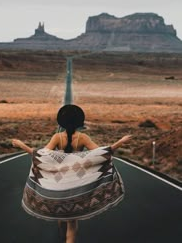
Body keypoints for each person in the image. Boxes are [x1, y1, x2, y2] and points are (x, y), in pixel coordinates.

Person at [12, 104, 132, 243]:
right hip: (76, 185)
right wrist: (120, 142)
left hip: (59, 184)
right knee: (72, 223)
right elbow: (100, 154)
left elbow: (41, 156)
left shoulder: (57, 137)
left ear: (62, 121)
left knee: (61, 217)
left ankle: (62, 238)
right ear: (79, 122)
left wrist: (22, 145)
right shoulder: (83, 137)